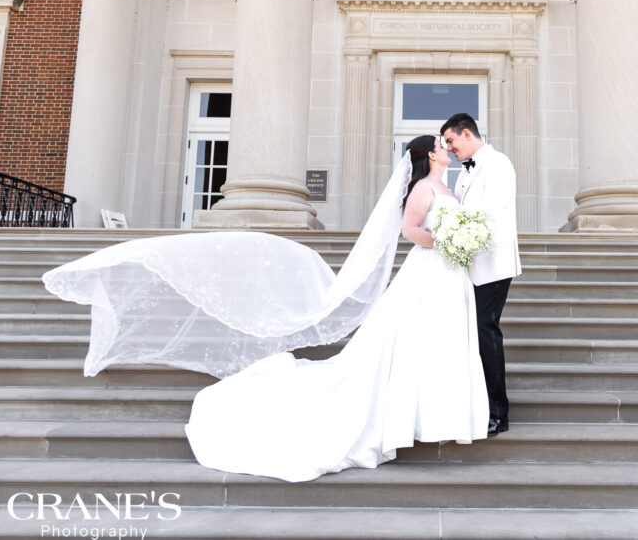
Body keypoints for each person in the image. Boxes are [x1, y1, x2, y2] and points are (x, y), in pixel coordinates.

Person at [43, 135, 487, 482]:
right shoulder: (422, 190)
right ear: (428, 157)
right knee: (407, 344)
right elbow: (411, 229)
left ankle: (433, 414)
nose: (446, 147)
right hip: (429, 270)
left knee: (435, 344)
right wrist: (446, 241)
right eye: (440, 145)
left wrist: (459, 243)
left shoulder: (446, 186)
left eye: (447, 143)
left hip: (447, 278)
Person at [440, 113, 522, 436]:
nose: (450, 148)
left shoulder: (498, 163)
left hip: (494, 263)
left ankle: (499, 413)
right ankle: (480, 405)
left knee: (486, 332)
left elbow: (491, 212)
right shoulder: (463, 173)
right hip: (471, 264)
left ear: (466, 134)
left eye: (451, 141)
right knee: (476, 335)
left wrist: (458, 232)